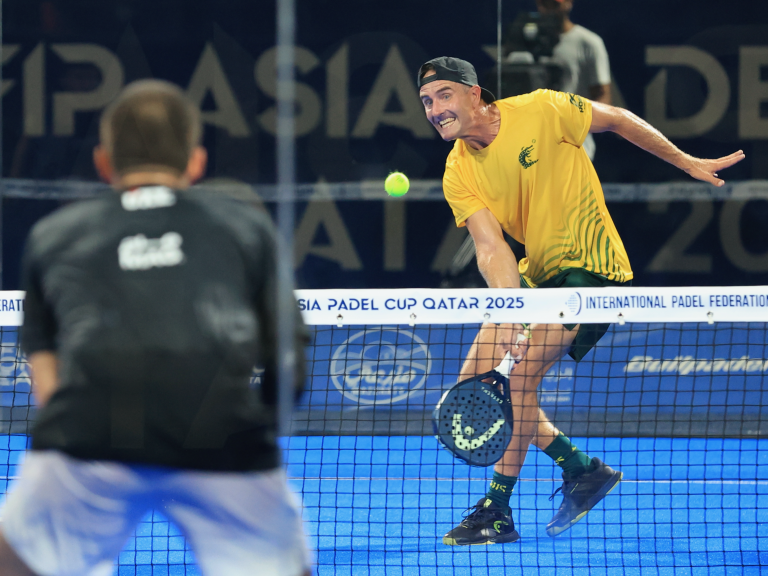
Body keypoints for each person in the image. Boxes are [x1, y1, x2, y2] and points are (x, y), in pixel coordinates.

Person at [417, 57, 744, 546]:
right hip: (539, 274)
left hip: (591, 270)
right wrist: (511, 312)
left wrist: (686, 161)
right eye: (427, 101)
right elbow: (490, 247)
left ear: (474, 94)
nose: (435, 109)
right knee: (477, 380)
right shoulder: (457, 169)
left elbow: (617, 119)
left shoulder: (542, 109)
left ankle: (497, 512)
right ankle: (581, 469)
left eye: (444, 95)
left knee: (518, 380)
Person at [0, 80, 310, 576]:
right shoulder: (247, 228)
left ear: (104, 163)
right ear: (196, 162)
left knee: (13, 564)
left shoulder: (52, 236)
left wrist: (79, 434)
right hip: (222, 434)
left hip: (89, 435)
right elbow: (287, 358)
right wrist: (255, 435)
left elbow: (45, 374)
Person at [538, 0, 612, 159]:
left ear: (568, 3)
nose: (548, 9)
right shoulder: (522, 42)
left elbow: (603, 97)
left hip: (574, 147)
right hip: (533, 145)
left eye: (554, 4)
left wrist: (576, 124)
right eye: (543, 3)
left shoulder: (589, 43)